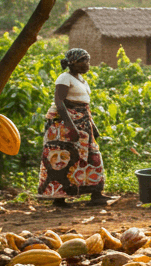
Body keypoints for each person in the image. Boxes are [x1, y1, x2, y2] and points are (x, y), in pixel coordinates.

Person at [37, 49, 114, 208]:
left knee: (92, 156)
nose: (87, 64)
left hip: (82, 121)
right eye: (83, 60)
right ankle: (59, 198)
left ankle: (96, 193)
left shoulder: (81, 80)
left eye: (88, 60)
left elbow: (84, 106)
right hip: (63, 125)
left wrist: (93, 127)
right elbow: (59, 103)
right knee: (62, 159)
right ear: (73, 63)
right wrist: (71, 126)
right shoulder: (64, 78)